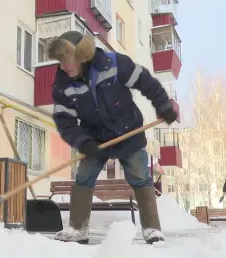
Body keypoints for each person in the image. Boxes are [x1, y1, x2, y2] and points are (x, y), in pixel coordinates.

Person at [46, 31, 178, 244]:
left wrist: (164, 105)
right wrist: (82, 142)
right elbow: (64, 121)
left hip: (129, 132)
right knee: (83, 177)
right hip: (95, 138)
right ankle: (78, 229)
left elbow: (146, 82)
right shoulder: (63, 83)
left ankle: (152, 229)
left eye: (66, 60)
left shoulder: (114, 64)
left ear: (81, 55)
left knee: (140, 176)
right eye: (59, 61)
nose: (63, 66)